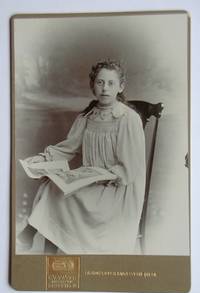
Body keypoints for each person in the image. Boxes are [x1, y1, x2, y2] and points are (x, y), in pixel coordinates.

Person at [17, 59, 146, 254]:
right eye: (100, 82)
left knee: (60, 194)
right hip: (91, 181)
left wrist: (105, 176)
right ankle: (41, 246)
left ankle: (31, 231)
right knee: (52, 184)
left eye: (111, 83)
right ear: (93, 86)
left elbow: (130, 167)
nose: (105, 89)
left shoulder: (128, 119)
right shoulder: (87, 117)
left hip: (116, 188)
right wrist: (43, 159)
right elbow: (68, 148)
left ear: (121, 87)